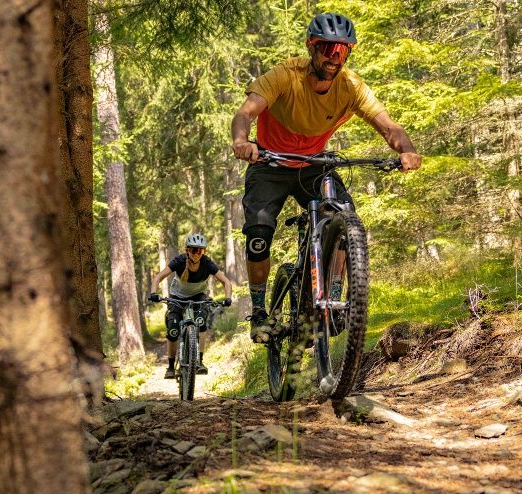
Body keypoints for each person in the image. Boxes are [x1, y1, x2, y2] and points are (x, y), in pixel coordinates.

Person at [230, 12, 423, 342]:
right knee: (259, 235)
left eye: (342, 50)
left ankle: (333, 298)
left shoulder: (351, 86)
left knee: (345, 216)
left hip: (313, 163)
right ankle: (260, 312)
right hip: (270, 161)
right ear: (311, 47)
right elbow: (245, 113)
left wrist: (407, 150)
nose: (334, 57)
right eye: (327, 49)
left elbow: (388, 126)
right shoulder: (285, 75)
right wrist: (241, 141)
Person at [149, 234, 233, 379]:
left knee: (201, 322)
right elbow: (158, 277)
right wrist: (153, 293)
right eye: (194, 250)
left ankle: (199, 361)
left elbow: (226, 282)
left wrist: (228, 298)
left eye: (200, 251)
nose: (197, 254)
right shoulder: (179, 261)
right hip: (177, 297)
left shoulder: (207, 263)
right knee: (173, 329)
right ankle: (170, 367)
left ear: (204, 252)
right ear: (187, 250)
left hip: (198, 296)